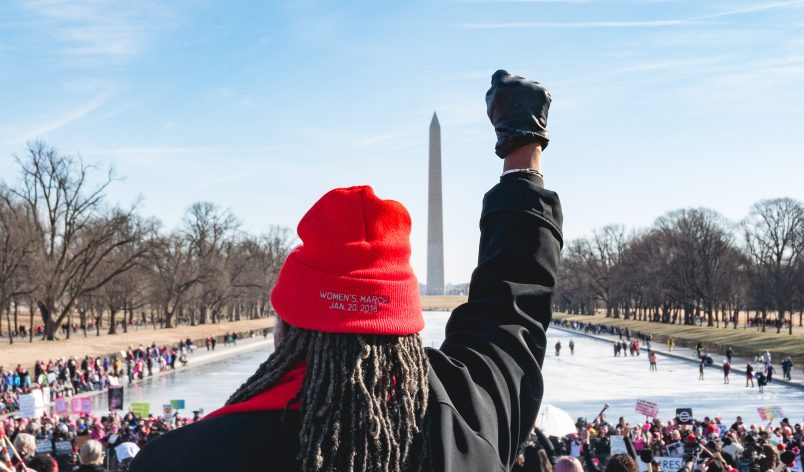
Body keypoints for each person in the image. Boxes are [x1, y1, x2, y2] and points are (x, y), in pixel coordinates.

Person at [131, 70, 563, 472]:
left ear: (282, 330)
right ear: (403, 332)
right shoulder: (467, 429)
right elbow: (511, 317)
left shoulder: (180, 459)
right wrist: (522, 155)